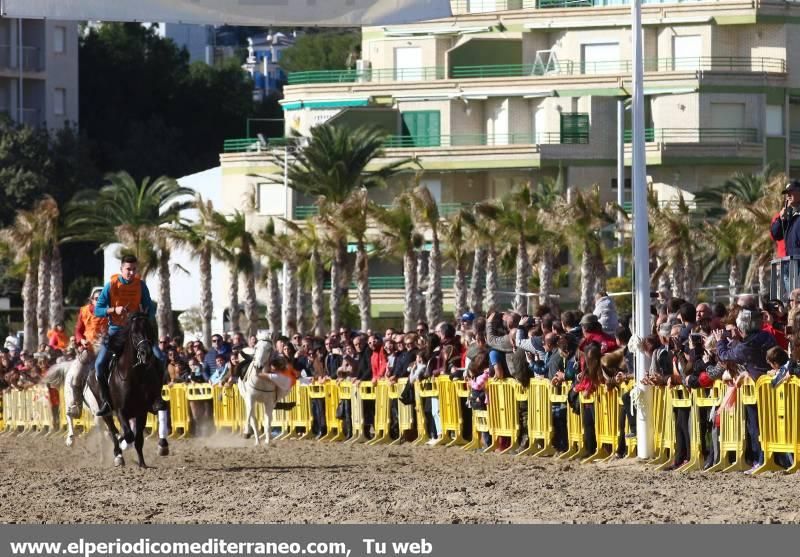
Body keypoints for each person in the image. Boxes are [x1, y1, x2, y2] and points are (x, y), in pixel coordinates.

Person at [93, 254, 164, 417]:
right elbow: (98, 310)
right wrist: (113, 310)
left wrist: (145, 314)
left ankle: (157, 397)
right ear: (121, 269)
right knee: (99, 364)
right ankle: (106, 402)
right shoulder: (110, 285)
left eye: (133, 269)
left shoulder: (141, 285)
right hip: (116, 330)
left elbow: (150, 308)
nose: (131, 272)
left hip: (137, 329)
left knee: (160, 357)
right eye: (128, 269)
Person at [771, 180, 800, 256]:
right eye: (786, 193)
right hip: (790, 263)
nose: (788, 195)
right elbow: (776, 235)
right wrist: (781, 220)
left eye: (791, 192)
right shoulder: (787, 215)